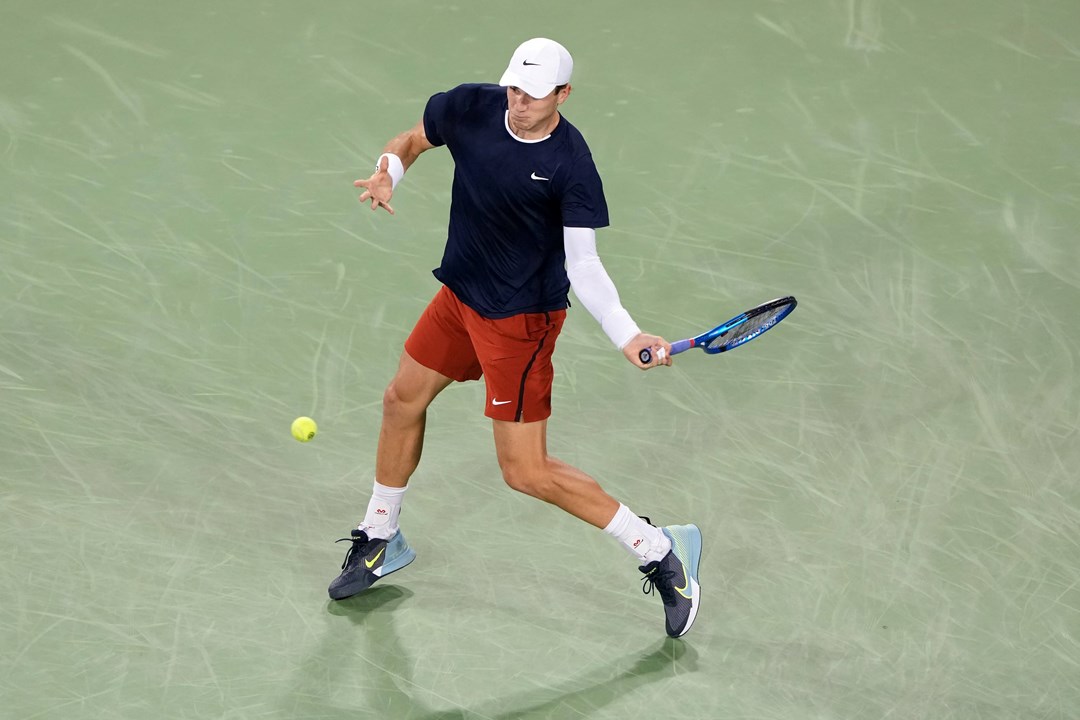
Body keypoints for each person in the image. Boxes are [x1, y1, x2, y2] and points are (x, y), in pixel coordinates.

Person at [329, 38, 702, 638]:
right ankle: (380, 536)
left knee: (526, 472)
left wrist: (626, 333)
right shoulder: (474, 107)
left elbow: (583, 265)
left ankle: (661, 548)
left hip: (520, 324)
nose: (519, 102)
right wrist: (388, 172)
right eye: (514, 88)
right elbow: (413, 140)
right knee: (402, 400)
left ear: (563, 94)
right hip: (459, 297)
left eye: (534, 94)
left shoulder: (571, 165)